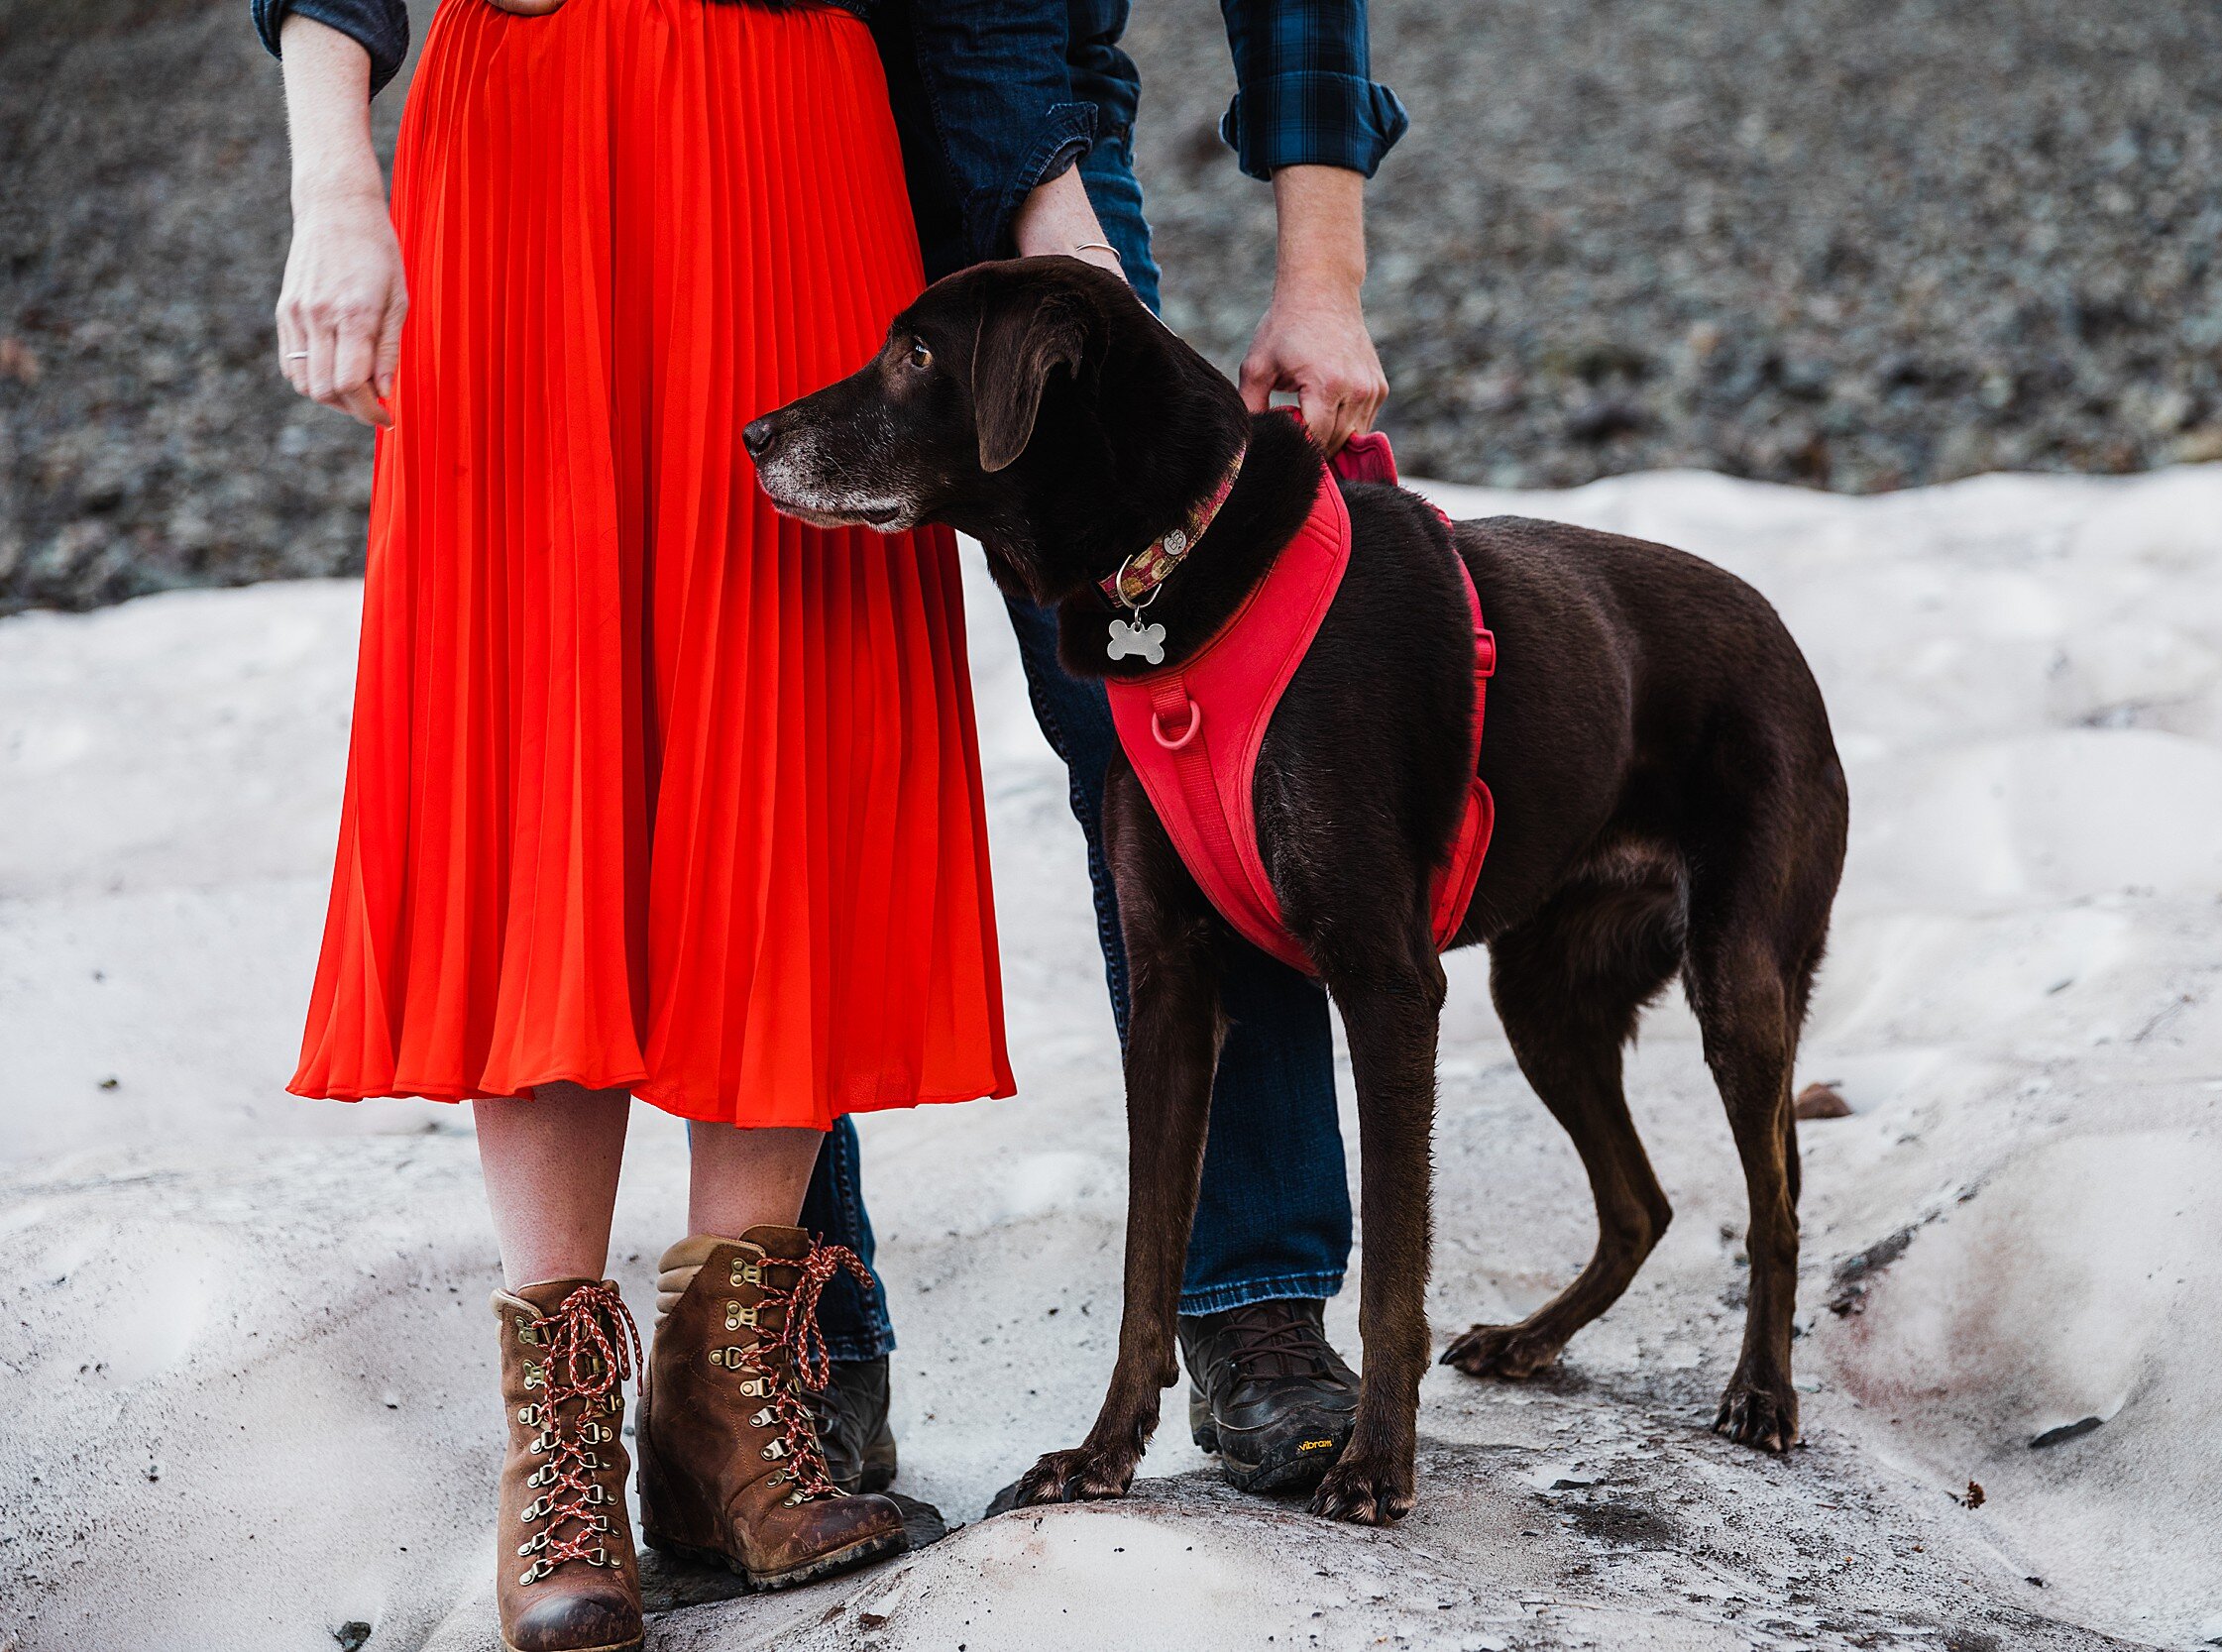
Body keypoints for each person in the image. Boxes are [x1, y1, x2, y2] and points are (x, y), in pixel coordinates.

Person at [255, 0, 1014, 1645]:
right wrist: (335, 179)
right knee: (541, 732)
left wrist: (1047, 202)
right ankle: (564, 1442)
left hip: (809, 127)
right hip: (527, 130)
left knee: (791, 709)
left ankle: (723, 1406)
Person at [798, 0, 1408, 1503]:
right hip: (764, 155)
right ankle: (807, 1339)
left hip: (1045, 175)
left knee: (1192, 749)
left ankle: (1254, 1299)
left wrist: (1320, 270)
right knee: (778, 755)